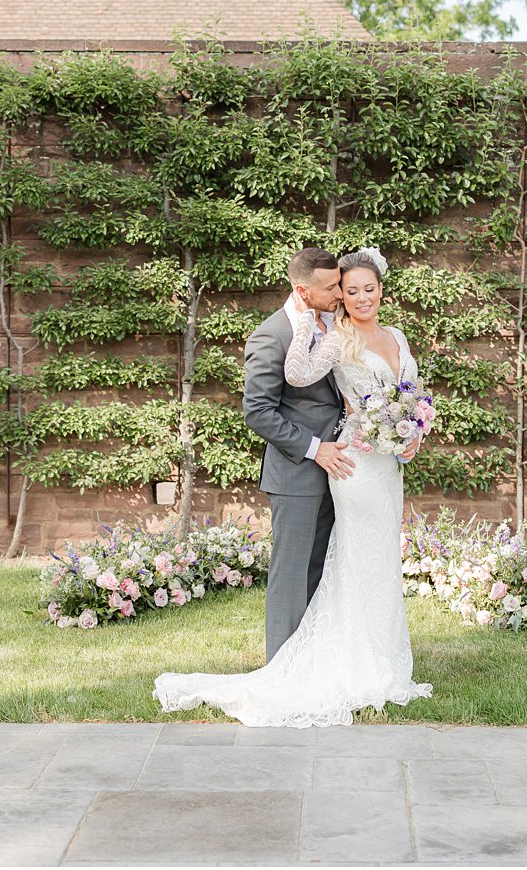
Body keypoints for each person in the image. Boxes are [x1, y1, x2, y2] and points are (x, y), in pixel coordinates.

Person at [152, 247, 432, 727]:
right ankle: (284, 668)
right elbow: (260, 409)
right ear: (309, 291)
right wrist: (316, 446)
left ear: (382, 288)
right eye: (338, 288)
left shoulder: (370, 330)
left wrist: (412, 433)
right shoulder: (281, 333)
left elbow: (405, 393)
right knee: (294, 571)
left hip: (366, 463)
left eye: (360, 287)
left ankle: (368, 655)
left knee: (345, 564)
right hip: (312, 465)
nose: (346, 295)